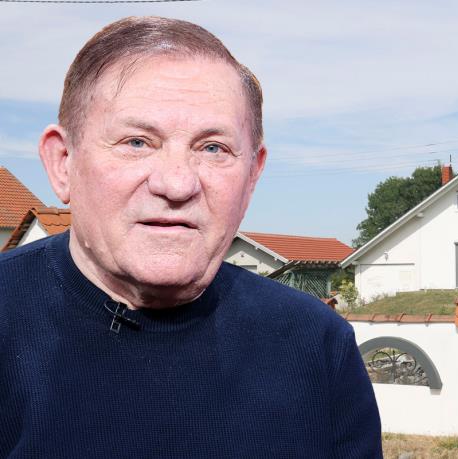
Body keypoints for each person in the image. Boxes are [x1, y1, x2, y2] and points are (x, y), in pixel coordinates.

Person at [0, 16, 382, 458]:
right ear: (63, 162)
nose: (177, 184)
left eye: (213, 148)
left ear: (252, 175)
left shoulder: (316, 345)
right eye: (137, 142)